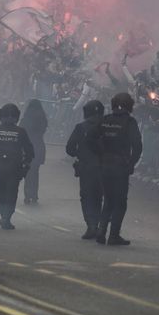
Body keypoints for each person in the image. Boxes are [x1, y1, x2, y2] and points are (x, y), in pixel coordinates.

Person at [90, 92, 143, 245]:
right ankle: (113, 235)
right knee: (120, 202)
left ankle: (101, 231)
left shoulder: (105, 120)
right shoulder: (129, 122)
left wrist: (99, 154)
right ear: (129, 106)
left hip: (104, 164)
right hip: (120, 167)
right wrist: (131, 163)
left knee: (108, 199)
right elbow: (137, 146)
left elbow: (90, 138)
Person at [0, 103, 35, 230]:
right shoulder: (20, 131)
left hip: (0, 169)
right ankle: (6, 216)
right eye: (7, 116)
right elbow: (30, 151)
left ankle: (4, 215)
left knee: (2, 192)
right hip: (13, 169)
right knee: (11, 193)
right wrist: (26, 164)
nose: (9, 118)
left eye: (11, 116)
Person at [66, 100, 105, 239]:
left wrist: (80, 154)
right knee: (98, 197)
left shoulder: (80, 127)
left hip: (86, 168)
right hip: (103, 168)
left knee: (87, 197)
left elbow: (69, 148)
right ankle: (99, 225)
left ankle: (91, 225)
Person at [20, 99, 49, 205]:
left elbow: (20, 131)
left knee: (28, 172)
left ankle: (27, 196)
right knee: (35, 172)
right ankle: (34, 196)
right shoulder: (43, 118)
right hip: (39, 146)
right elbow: (43, 130)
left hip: (27, 147)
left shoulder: (26, 118)